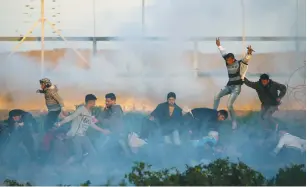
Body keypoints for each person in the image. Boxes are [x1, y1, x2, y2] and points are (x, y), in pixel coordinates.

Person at [55, 94, 110, 166]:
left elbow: (91, 124)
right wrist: (60, 123)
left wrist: (103, 131)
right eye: (94, 101)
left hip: (83, 136)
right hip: (76, 136)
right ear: (90, 101)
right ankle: (62, 166)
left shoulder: (89, 112)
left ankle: (84, 164)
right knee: (78, 156)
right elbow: (71, 117)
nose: (95, 103)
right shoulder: (81, 109)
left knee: (93, 153)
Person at [214, 37, 254, 130]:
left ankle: (234, 122)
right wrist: (219, 45)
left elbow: (246, 59)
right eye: (226, 60)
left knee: (229, 105)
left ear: (233, 59)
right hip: (229, 85)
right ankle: (213, 113)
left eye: (229, 60)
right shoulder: (227, 62)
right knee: (216, 96)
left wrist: (249, 53)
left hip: (236, 88)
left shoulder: (239, 63)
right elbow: (223, 53)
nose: (227, 62)